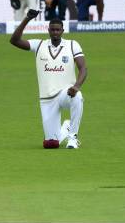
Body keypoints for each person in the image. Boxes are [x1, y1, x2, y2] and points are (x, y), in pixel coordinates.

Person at [10, 11, 87, 149]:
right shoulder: (39, 45)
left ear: (63, 30)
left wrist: (76, 86)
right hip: (47, 98)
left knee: (78, 97)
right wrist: (27, 19)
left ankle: (73, 138)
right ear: (48, 30)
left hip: (65, 93)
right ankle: (66, 127)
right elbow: (14, 40)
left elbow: (83, 69)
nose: (55, 32)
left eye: (58, 30)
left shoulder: (72, 45)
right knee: (51, 144)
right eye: (53, 30)